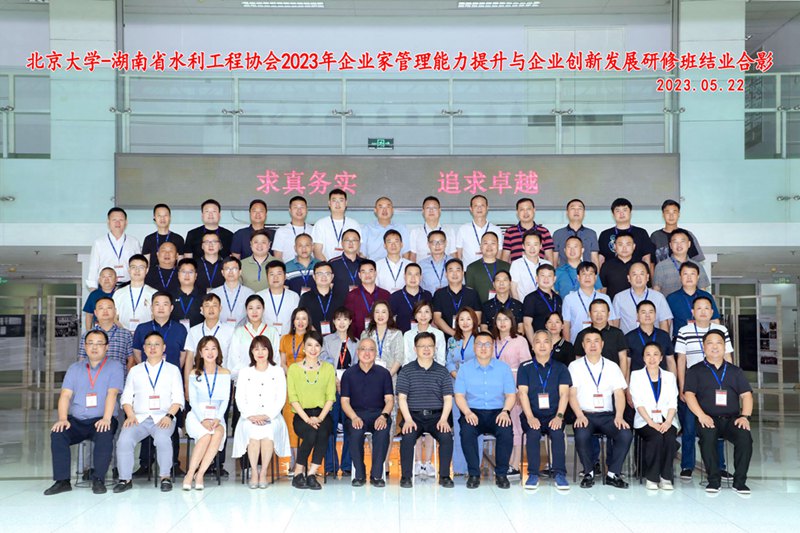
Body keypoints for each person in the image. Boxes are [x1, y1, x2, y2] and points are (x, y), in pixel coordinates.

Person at [44, 330, 124, 496]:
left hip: (102, 419)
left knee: (104, 433)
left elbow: (112, 394)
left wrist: (106, 419)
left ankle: (98, 479)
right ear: (85, 346)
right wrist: (62, 419)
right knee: (58, 433)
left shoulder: (115, 366)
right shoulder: (75, 368)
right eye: (90, 343)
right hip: (77, 420)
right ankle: (62, 481)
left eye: (99, 343)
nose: (94, 347)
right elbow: (65, 395)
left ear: (107, 347)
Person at [113, 331, 184, 493]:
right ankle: (125, 479)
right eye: (149, 345)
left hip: (163, 417)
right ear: (143, 348)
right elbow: (126, 398)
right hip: (138, 417)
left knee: (163, 439)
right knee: (124, 440)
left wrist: (169, 416)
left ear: (163, 348)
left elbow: (178, 398)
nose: (152, 348)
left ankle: (165, 477)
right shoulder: (135, 371)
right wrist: (130, 415)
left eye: (156, 344)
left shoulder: (172, 370)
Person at [684, 330, 753, 494]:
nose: (714, 347)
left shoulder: (735, 371)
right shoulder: (695, 370)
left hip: (732, 419)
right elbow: (689, 395)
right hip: (708, 418)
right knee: (707, 439)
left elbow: (746, 395)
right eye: (710, 343)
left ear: (724, 347)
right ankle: (714, 480)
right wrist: (701, 415)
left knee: (745, 438)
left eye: (719, 343)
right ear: (704, 347)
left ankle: (740, 482)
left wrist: (745, 416)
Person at [674, 295, 734, 481]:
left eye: (707, 308)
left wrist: (730, 383)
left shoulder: (721, 330)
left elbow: (728, 356)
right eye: (699, 308)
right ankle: (687, 466)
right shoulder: (684, 331)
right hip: (693, 386)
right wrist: (682, 386)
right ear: (692, 312)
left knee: (716, 427)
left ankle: (719, 467)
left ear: (712, 311)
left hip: (716, 385)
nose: (703, 311)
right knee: (689, 428)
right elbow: (681, 360)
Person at [568, 327, 632, 489]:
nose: (592, 345)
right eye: (588, 341)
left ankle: (613, 474)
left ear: (602, 344)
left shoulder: (612, 366)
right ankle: (588, 472)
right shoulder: (574, 366)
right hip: (585, 415)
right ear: (583, 345)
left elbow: (619, 394)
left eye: (596, 341)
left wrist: (619, 416)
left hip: (607, 416)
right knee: (581, 434)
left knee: (625, 433)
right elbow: (571, 394)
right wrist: (579, 415)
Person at [454, 330, 516, 489]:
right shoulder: (465, 369)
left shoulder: (503, 368)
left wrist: (505, 412)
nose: (483, 348)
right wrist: (467, 412)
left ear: (493, 346)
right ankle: (474, 474)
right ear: (474, 347)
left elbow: (511, 395)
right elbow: (459, 396)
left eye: (487, 344)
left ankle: (501, 474)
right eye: (479, 344)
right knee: (467, 432)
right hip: (472, 412)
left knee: (506, 431)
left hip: (498, 412)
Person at [232, 335, 292, 488]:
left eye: (264, 349)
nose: (260, 352)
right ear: (251, 352)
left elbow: (281, 398)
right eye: (256, 349)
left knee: (268, 432)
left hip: (272, 417)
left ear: (269, 351)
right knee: (253, 434)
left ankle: (263, 472)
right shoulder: (245, 372)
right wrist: (250, 416)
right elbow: (239, 398)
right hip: (248, 417)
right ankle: (254, 472)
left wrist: (267, 415)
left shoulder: (277, 371)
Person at [397, 331, 455, 488]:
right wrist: (408, 419)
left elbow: (448, 398)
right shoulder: (406, 370)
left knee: (446, 437)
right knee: (407, 438)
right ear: (415, 349)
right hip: (413, 416)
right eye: (422, 346)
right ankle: (406, 476)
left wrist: (444, 419)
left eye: (430, 345)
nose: (426, 349)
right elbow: (402, 398)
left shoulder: (442, 371)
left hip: (437, 416)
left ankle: (444, 476)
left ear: (435, 348)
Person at [517, 330, 571, 490]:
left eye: (546, 341)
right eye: (538, 342)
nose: (542, 345)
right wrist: (530, 417)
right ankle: (533, 474)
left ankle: (560, 474)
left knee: (557, 433)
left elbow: (564, 394)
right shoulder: (525, 367)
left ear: (551, 345)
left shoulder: (561, 368)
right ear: (532, 347)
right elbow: (522, 393)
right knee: (533, 433)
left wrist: (559, 416)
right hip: (532, 414)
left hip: (554, 415)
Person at [341, 338, 395, 487]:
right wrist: (354, 417)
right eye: (363, 349)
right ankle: (359, 473)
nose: (367, 353)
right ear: (358, 352)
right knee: (355, 432)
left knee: (382, 431)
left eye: (371, 349)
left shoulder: (384, 373)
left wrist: (383, 416)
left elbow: (390, 400)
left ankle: (377, 474)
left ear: (375, 353)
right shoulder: (349, 374)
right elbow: (344, 401)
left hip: (379, 414)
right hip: (355, 414)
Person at [286, 331, 336, 490]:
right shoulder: (294, 369)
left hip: (323, 414)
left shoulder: (328, 368)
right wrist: (308, 419)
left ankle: (311, 474)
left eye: (317, 345)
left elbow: (330, 397)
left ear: (321, 348)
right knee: (311, 433)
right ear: (303, 347)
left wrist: (319, 418)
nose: (313, 349)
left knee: (322, 431)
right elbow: (293, 398)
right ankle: (298, 473)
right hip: (301, 415)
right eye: (309, 345)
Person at [182, 336, 231, 490]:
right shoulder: (194, 373)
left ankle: (200, 474)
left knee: (218, 433)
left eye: (213, 348)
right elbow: (193, 401)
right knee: (205, 436)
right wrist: (203, 419)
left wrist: (218, 418)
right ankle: (190, 474)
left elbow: (225, 400)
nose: (210, 352)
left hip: (217, 415)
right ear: (200, 353)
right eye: (206, 349)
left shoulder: (225, 373)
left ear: (218, 351)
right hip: (197, 415)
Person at [629, 342, 679, 490]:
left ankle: (666, 477)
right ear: (643, 358)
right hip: (645, 420)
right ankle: (652, 477)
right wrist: (651, 422)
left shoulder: (669, 376)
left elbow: (673, 402)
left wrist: (668, 421)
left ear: (661, 357)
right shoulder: (636, 375)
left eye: (656, 354)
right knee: (656, 437)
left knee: (669, 437)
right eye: (648, 355)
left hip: (666, 418)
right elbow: (638, 403)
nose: (652, 358)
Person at [492, 309, 531, 477]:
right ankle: (503, 462)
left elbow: (526, 367)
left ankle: (515, 464)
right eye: (499, 319)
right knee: (502, 425)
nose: (502, 323)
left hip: (514, 385)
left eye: (506, 319)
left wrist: (521, 392)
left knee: (516, 424)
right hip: (495, 387)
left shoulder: (520, 340)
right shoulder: (492, 340)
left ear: (512, 322)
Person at [320, 307, 358, 478]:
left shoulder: (356, 342)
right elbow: (323, 360)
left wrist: (347, 383)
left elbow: (358, 365)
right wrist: (335, 379)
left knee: (350, 427)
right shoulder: (327, 341)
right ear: (333, 322)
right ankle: (331, 465)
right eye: (338, 319)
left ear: (350, 322)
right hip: (331, 388)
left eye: (345, 319)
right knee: (330, 428)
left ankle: (347, 465)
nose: (342, 322)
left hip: (350, 390)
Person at [445, 307, 480, 476]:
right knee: (458, 424)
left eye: (468, 319)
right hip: (456, 384)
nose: (465, 322)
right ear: (457, 322)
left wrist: (468, 377)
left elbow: (484, 359)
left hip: (476, 385)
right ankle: (459, 466)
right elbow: (449, 361)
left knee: (475, 423)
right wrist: (457, 375)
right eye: (461, 319)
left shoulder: (480, 339)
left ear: (474, 321)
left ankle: (474, 466)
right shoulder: (452, 340)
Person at [183, 294, 236, 386]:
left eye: (214, 305)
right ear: (201, 309)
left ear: (220, 308)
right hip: (198, 379)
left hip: (222, 379)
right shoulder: (194, 331)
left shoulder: (230, 331)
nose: (211, 309)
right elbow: (189, 359)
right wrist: (187, 386)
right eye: (207, 305)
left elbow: (233, 358)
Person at [229, 294, 281, 383]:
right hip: (245, 380)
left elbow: (276, 358)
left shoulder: (272, 331)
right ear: (246, 310)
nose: (254, 312)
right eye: (250, 308)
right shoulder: (239, 332)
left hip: (267, 380)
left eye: (258, 308)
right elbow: (233, 359)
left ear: (263, 309)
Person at [86, 207, 141, 289]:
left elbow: (139, 266)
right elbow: (93, 268)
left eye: (121, 220)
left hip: (128, 286)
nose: (117, 223)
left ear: (126, 222)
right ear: (108, 222)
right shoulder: (99, 243)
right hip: (106, 287)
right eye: (114, 220)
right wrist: (93, 290)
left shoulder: (134, 242)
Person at [611, 261, 672, 334]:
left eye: (642, 274)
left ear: (647, 277)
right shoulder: (619, 298)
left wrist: (664, 340)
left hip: (654, 340)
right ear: (629, 278)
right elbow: (615, 325)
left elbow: (665, 322)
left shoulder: (659, 297)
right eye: (634, 274)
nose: (638, 278)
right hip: (628, 340)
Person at [562, 262, 616, 343]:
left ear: (595, 277)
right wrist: (568, 346)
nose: (587, 277)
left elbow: (610, 322)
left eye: (590, 274)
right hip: (576, 343)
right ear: (578, 277)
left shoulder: (605, 298)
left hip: (601, 343)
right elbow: (566, 324)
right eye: (584, 274)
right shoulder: (569, 299)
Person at [78, 297, 134, 374]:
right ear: (95, 312)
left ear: (115, 311)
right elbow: (82, 359)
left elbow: (131, 359)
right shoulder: (87, 335)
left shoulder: (126, 334)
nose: (105, 311)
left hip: (118, 379)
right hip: (93, 378)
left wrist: (125, 377)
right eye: (101, 308)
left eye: (109, 308)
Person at [597, 198, 655, 269]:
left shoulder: (641, 233)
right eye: (618, 211)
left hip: (636, 274)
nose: (621, 214)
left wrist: (647, 274)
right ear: (613, 214)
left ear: (630, 212)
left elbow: (646, 258)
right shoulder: (605, 235)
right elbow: (601, 259)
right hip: (611, 274)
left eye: (625, 210)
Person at [666, 262, 721, 337]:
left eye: (692, 274)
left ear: (698, 277)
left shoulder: (707, 296)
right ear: (680, 277)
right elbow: (667, 323)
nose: (689, 277)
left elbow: (714, 320)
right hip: (680, 339)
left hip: (704, 338)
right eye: (685, 274)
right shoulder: (671, 298)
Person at [574, 300, 628, 374]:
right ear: (589, 314)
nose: (599, 315)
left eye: (602, 311)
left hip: (613, 376)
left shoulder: (617, 333)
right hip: (588, 377)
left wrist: (621, 379)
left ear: (609, 314)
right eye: (595, 311)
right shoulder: (582, 334)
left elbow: (623, 358)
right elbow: (578, 358)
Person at [432, 258, 482, 338]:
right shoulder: (439, 294)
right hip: (446, 337)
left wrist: (465, 334)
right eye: (451, 270)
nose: (454, 274)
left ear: (462, 273)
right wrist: (454, 334)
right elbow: (437, 319)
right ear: (446, 274)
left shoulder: (472, 293)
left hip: (469, 337)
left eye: (458, 270)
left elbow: (477, 318)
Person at [653, 228, 711, 296]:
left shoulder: (698, 266)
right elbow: (656, 292)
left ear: (689, 244)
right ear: (670, 245)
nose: (679, 245)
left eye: (682, 241)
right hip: (668, 302)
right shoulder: (661, 267)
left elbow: (703, 292)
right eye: (675, 242)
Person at [624, 300, 676, 375]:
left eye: (651, 312)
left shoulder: (664, 336)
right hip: (637, 379)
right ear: (637, 315)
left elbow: (670, 361)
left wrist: (673, 380)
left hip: (661, 379)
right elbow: (627, 365)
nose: (647, 315)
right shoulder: (629, 337)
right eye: (643, 312)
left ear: (655, 315)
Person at [344, 260, 391, 339]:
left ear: (375, 273)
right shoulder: (352, 295)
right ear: (359, 275)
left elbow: (390, 319)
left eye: (370, 271)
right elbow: (349, 321)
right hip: (359, 340)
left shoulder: (385, 294)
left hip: (383, 339)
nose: (367, 275)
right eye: (364, 272)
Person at [650, 199, 705, 266]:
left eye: (674, 212)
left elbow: (697, 260)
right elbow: (651, 262)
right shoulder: (655, 236)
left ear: (679, 214)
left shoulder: (687, 234)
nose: (671, 216)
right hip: (662, 272)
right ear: (663, 214)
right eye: (667, 212)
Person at [312, 188, 362, 261]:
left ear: (346, 203)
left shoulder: (354, 224)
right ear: (329, 203)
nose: (337, 204)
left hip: (349, 265)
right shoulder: (320, 224)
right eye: (334, 200)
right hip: (326, 266)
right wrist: (327, 266)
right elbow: (317, 251)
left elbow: (357, 249)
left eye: (341, 200)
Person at [501, 198, 554, 263]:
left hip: (539, 269)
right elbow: (505, 258)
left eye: (528, 209)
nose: (525, 212)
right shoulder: (510, 232)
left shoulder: (544, 232)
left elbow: (549, 258)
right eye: (522, 209)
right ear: (517, 212)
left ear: (534, 210)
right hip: (516, 269)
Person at [113, 254, 156, 334]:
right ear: (129, 270)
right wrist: (124, 332)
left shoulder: (154, 293)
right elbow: (114, 317)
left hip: (147, 335)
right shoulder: (118, 293)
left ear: (147, 270)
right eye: (133, 267)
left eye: (141, 267)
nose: (137, 271)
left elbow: (156, 317)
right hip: (123, 335)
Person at [455, 194, 503, 266]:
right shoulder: (463, 229)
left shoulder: (496, 229)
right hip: (467, 270)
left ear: (487, 208)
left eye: (482, 205)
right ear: (471, 209)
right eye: (476, 206)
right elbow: (459, 254)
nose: (479, 208)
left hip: (491, 269)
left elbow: (499, 252)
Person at [256, 261, 301, 336]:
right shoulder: (259, 296)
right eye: (272, 274)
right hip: (265, 339)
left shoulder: (294, 296)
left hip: (288, 339)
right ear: (267, 277)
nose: (275, 277)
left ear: (285, 276)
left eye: (279, 274)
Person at [552, 198, 600, 268]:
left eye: (579, 209)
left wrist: (597, 274)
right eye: (573, 208)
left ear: (584, 213)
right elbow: (554, 260)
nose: (576, 211)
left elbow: (594, 259)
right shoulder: (558, 234)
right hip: (564, 273)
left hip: (586, 273)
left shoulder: (591, 234)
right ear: (567, 212)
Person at [465, 232, 511, 304]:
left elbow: (511, 292)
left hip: (504, 308)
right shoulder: (472, 268)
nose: (489, 247)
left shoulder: (507, 267)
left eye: (493, 243)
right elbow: (469, 295)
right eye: (485, 243)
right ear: (481, 247)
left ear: (498, 246)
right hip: (480, 309)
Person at [299, 261, 343, 335]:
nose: (324, 277)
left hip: (335, 338)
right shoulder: (306, 297)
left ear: (332, 276)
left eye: (327, 274)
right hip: (312, 337)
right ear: (314, 277)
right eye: (320, 274)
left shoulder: (340, 297)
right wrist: (315, 335)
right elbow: (302, 318)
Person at [362, 196, 411, 261]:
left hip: (396, 265)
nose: (384, 210)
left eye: (388, 207)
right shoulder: (367, 229)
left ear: (392, 210)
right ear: (375, 210)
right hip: (373, 265)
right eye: (381, 207)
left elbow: (406, 254)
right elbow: (362, 255)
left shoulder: (402, 228)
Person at [409, 196, 457, 262]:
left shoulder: (449, 231)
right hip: (422, 268)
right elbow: (412, 256)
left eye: (434, 208)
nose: (431, 211)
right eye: (428, 208)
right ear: (423, 211)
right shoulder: (415, 232)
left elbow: (453, 254)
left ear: (439, 211)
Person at [522, 264, 561, 344]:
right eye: (543, 276)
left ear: (554, 279)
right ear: (537, 278)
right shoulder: (530, 298)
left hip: (556, 342)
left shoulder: (558, 298)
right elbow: (527, 324)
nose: (546, 279)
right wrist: (534, 345)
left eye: (549, 276)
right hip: (539, 344)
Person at [509, 230, 554, 301]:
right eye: (528, 244)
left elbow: (551, 287)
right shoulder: (516, 264)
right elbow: (513, 290)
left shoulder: (547, 264)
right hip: (523, 305)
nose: (532, 248)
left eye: (535, 244)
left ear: (540, 246)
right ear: (523, 246)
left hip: (545, 304)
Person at [210, 256, 255, 325]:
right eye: (227, 269)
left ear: (240, 272)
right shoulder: (213, 294)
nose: (230, 272)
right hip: (219, 330)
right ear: (222, 272)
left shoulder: (250, 293)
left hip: (243, 330)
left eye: (234, 269)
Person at [389, 263, 433, 333]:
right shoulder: (395, 297)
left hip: (424, 336)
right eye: (410, 274)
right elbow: (390, 319)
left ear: (421, 277)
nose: (413, 278)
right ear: (404, 276)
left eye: (416, 274)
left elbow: (432, 318)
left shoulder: (427, 295)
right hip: (402, 336)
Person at [403, 301, 446, 365]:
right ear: (415, 316)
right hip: (412, 370)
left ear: (431, 315)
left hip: (434, 370)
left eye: (426, 311)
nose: (423, 315)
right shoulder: (407, 335)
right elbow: (406, 360)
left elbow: (441, 360)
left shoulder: (439, 334)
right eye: (419, 312)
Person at [273, 196, 314, 262]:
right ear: (290, 210)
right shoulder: (281, 231)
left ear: (306, 210)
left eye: (302, 207)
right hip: (288, 268)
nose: (299, 210)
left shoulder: (313, 230)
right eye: (295, 207)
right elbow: (278, 257)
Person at [329, 228, 363, 303]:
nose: (351, 243)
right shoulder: (333, 263)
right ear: (342, 243)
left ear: (359, 243)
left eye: (354, 240)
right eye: (347, 240)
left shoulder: (365, 263)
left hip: (362, 305)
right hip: (339, 306)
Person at [598, 232, 636, 299]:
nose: (624, 248)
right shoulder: (607, 266)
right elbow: (603, 290)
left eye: (628, 244)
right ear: (615, 246)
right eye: (620, 244)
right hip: (613, 304)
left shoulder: (641, 266)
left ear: (634, 246)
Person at [240, 229, 278, 294]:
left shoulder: (278, 263)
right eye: (256, 242)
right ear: (250, 244)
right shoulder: (241, 264)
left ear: (269, 245)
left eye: (263, 242)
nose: (259, 245)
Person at [171, 258, 204, 331]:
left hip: (198, 334)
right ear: (178, 274)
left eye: (190, 272)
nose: (187, 275)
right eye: (183, 272)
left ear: (196, 275)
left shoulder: (203, 296)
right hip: (175, 333)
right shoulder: (170, 296)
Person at [420, 229, 452, 294]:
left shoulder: (454, 263)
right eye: (434, 242)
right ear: (428, 244)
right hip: (429, 299)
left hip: (451, 299)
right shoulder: (421, 265)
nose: (437, 245)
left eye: (441, 242)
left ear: (446, 243)